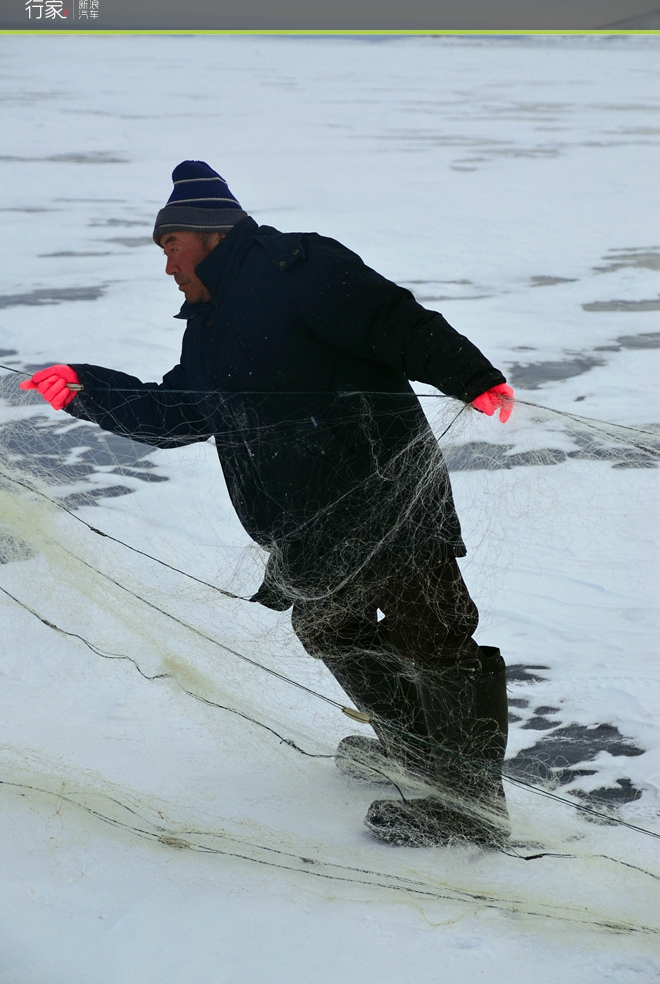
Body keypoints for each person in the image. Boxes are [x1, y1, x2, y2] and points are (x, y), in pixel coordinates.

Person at [21, 160, 515, 847]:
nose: (166, 267)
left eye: (169, 247)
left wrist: (472, 377)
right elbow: (179, 412)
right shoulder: (210, 326)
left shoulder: (300, 267)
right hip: (311, 526)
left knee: (432, 634)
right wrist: (86, 391)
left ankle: (469, 808)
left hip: (386, 497)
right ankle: (422, 754)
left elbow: (391, 320)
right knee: (327, 627)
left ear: (209, 233)